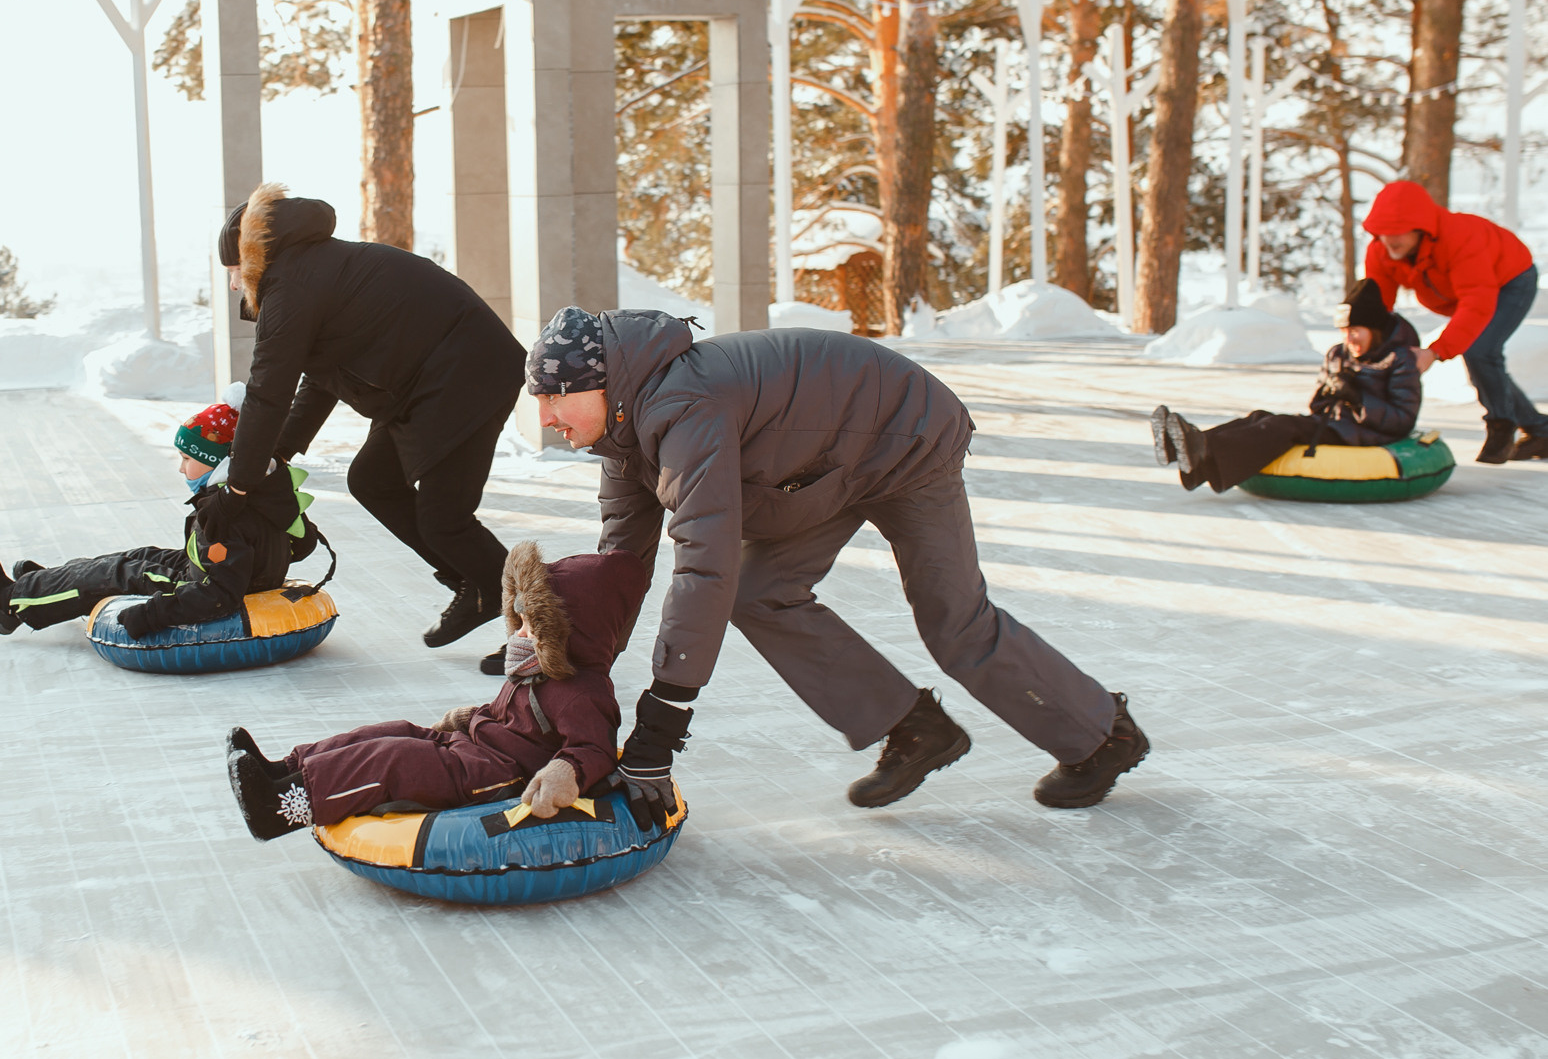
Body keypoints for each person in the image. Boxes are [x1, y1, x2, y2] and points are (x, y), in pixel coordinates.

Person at [528, 305, 1152, 813]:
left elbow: (704, 560)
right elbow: (618, 573)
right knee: (756, 592)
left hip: (908, 437)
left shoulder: (686, 408)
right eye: (538, 398)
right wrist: (570, 669)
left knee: (953, 619)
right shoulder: (624, 439)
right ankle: (916, 728)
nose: (545, 416)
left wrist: (661, 723)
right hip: (822, 463)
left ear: (603, 383)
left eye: (555, 396)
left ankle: (1105, 735)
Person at [211, 182, 526, 661]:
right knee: (372, 480)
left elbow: (267, 390)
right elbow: (321, 376)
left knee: (445, 520)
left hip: (466, 374)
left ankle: (543, 628)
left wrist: (239, 485)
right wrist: (276, 452)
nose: (235, 285)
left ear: (252, 258)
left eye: (233, 272)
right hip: (428, 379)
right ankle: (477, 583)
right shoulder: (308, 268)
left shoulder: (293, 285)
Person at [225, 541, 650, 840]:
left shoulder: (584, 693)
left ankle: (283, 807)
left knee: (395, 758)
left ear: (572, 634)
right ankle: (284, 770)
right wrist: (468, 718)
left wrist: (564, 772)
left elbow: (593, 748)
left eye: (532, 626)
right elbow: (510, 715)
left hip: (493, 776)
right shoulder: (535, 669)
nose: (519, 633)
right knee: (394, 731)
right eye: (518, 621)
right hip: (472, 747)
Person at [0, 386, 326, 637]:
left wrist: (152, 614)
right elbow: (302, 545)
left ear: (217, 463)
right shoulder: (267, 491)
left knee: (112, 573)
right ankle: (47, 584)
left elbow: (219, 595)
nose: (181, 468)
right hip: (241, 574)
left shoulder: (224, 515)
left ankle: (10, 603)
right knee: (139, 555)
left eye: (187, 459)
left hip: (208, 585)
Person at [1151, 279, 1423, 493]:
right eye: (1344, 331)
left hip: (1369, 434)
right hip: (1335, 425)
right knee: (1259, 418)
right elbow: (1317, 406)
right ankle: (1185, 449)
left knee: (1283, 426)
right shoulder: (1338, 354)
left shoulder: (1399, 360)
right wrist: (1329, 391)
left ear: (1374, 329)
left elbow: (1403, 418)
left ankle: (1200, 448)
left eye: (1355, 331)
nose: (1349, 339)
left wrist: (1358, 399)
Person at [1361, 178, 1548, 462]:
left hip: (1510, 281)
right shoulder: (1381, 251)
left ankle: (1501, 425)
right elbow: (1377, 308)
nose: (1391, 239)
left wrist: (1435, 352)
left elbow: (1476, 304)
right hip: (1461, 291)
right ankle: (1541, 431)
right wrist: (1364, 343)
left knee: (1480, 351)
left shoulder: (1460, 238)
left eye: (1399, 231)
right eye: (1384, 231)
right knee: (1481, 356)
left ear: (1421, 228)